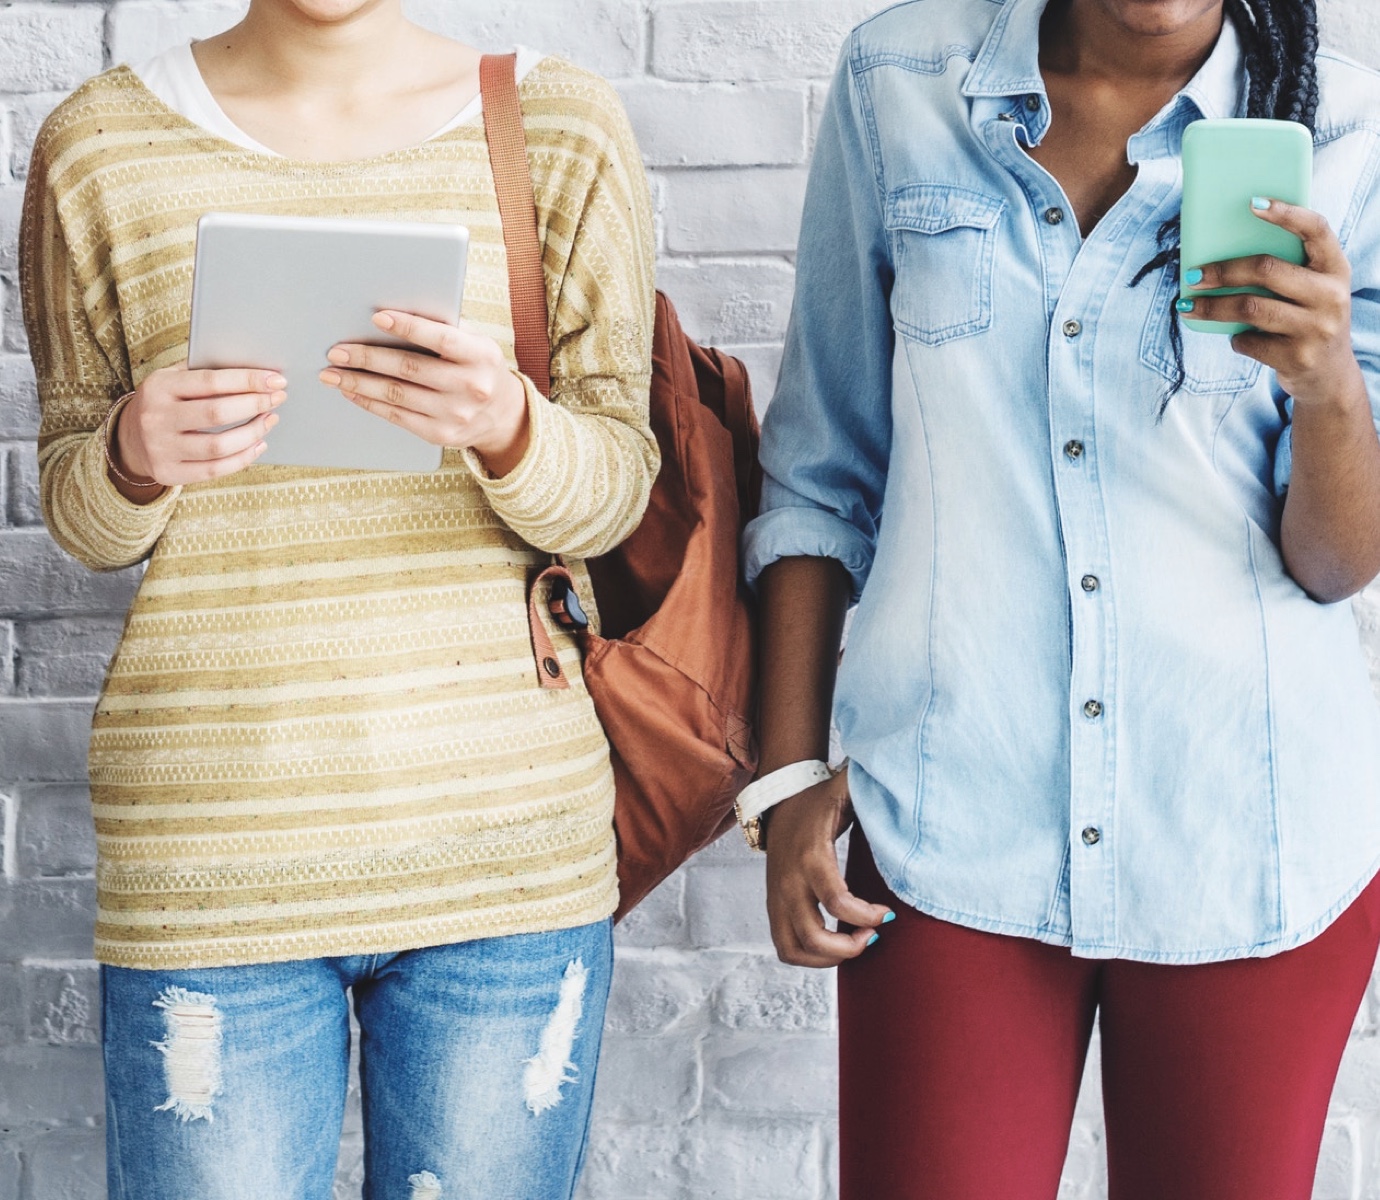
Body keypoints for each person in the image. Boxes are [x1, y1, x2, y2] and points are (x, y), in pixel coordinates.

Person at [741, 0, 1380, 1197]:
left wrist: (1331, 386)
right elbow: (821, 470)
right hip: (947, 838)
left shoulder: (1349, 128)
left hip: (1246, 841)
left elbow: (1337, 563)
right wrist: (782, 786)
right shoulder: (898, 83)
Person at [19, 2, 656, 1197]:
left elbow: (616, 493)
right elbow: (76, 515)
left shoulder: (558, 124)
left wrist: (512, 429)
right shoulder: (96, 144)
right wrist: (130, 453)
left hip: (503, 854)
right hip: (213, 851)